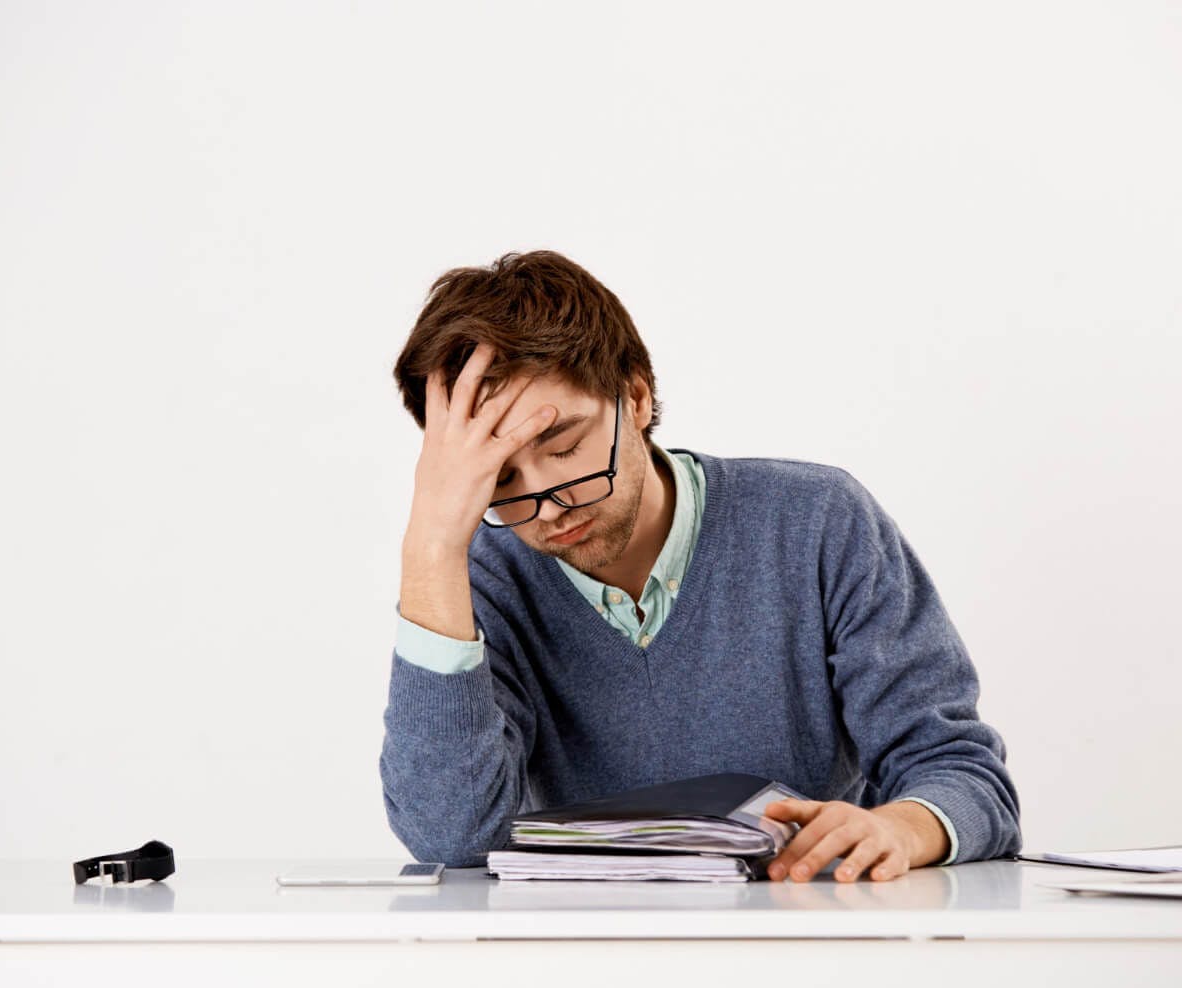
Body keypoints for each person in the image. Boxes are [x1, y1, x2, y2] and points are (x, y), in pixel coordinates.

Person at [379, 250, 1022, 883]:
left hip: (808, 929)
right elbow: (451, 835)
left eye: (566, 447)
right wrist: (431, 549)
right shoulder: (481, 579)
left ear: (635, 397)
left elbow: (963, 773)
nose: (546, 504)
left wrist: (900, 827)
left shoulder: (818, 521)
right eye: (500, 476)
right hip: (583, 942)